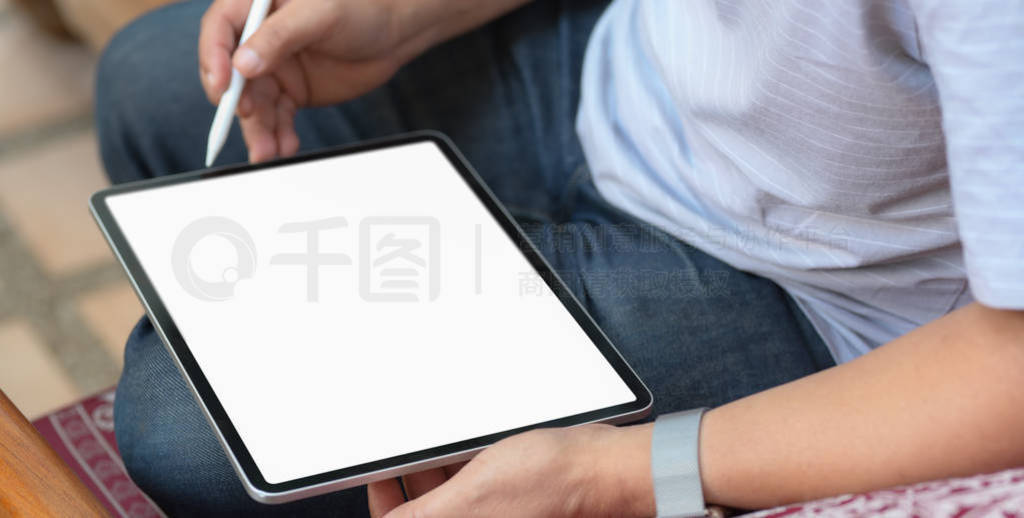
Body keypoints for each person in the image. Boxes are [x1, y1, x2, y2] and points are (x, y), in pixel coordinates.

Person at [96, 0, 1024, 516]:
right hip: (624, 58)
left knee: (183, 427)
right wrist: (401, 18)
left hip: (817, 294)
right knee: (154, 81)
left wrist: (616, 477)